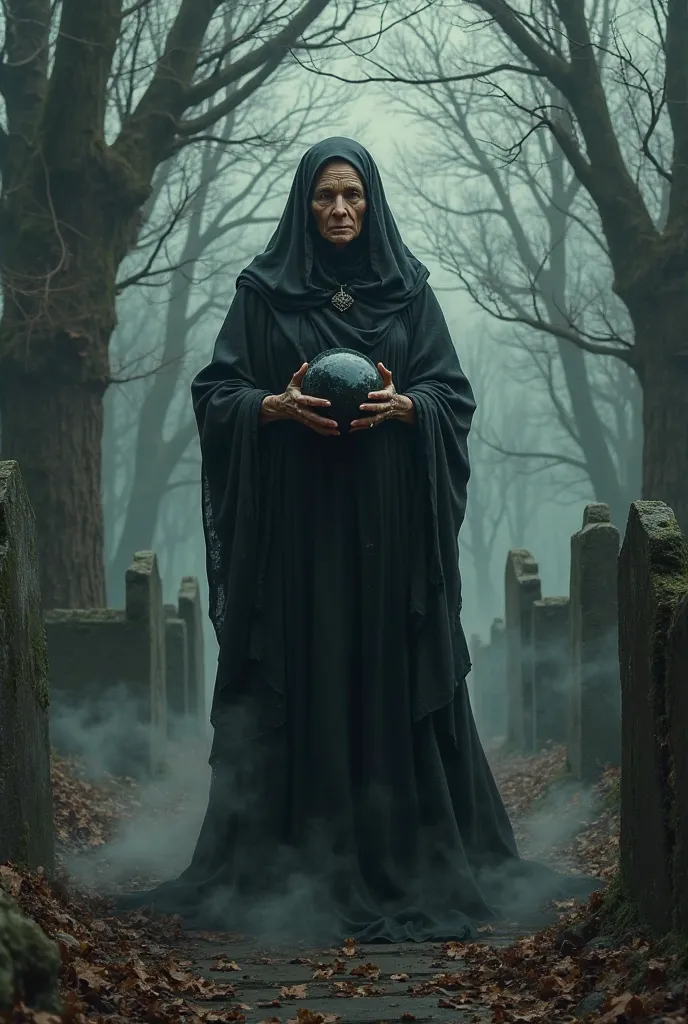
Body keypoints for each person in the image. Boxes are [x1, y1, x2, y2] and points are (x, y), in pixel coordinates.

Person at [115, 137, 600, 942]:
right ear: (303, 205)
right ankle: (292, 865)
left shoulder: (410, 295)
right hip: (296, 538)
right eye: (324, 197)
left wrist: (411, 409)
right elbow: (216, 393)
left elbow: (453, 395)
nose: (339, 210)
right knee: (303, 667)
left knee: (387, 669)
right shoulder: (262, 295)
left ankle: (406, 851)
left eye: (352, 196)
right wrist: (271, 407)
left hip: (390, 540)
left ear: (371, 203)